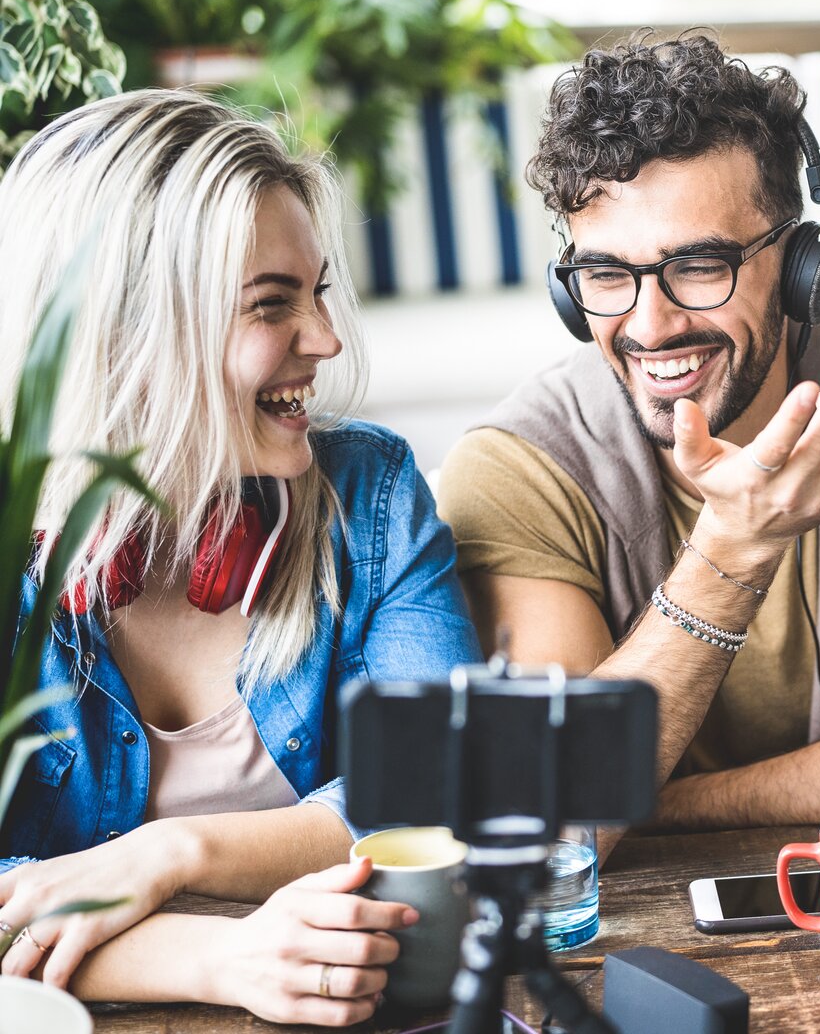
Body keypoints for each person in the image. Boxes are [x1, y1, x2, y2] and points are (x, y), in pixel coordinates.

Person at [436, 34, 820, 831]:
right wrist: (733, 547)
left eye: (698, 267)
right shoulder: (513, 470)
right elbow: (560, 813)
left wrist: (662, 803)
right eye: (607, 276)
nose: (650, 327)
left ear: (802, 267)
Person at [0, 90, 480, 1023]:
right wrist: (216, 958)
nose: (327, 340)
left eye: (320, 291)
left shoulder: (371, 494)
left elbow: (449, 783)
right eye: (273, 306)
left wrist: (174, 853)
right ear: (130, 336)